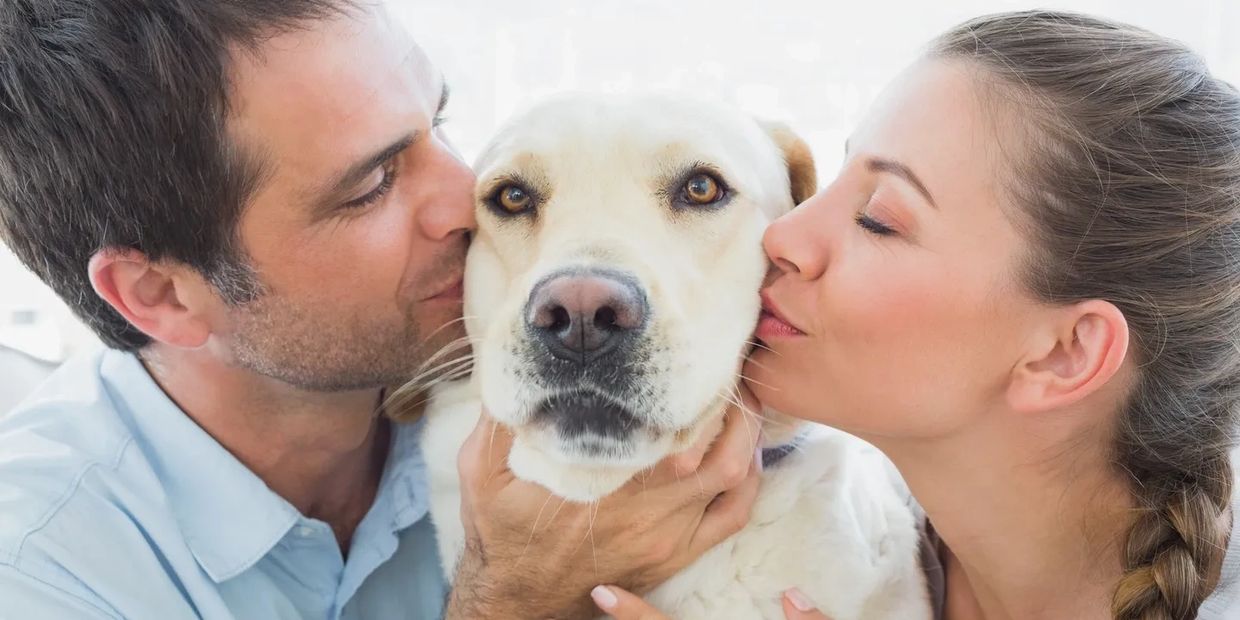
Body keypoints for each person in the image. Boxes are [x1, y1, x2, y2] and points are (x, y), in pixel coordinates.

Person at [0, 1, 762, 618]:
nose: (465, 199)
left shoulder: (510, 376)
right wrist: (513, 600)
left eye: (438, 125)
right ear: (162, 296)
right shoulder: (38, 570)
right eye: (371, 185)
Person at [595, 10, 1240, 620]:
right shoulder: (824, 534)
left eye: (877, 219)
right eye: (840, 175)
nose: (782, 234)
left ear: (1062, 353)